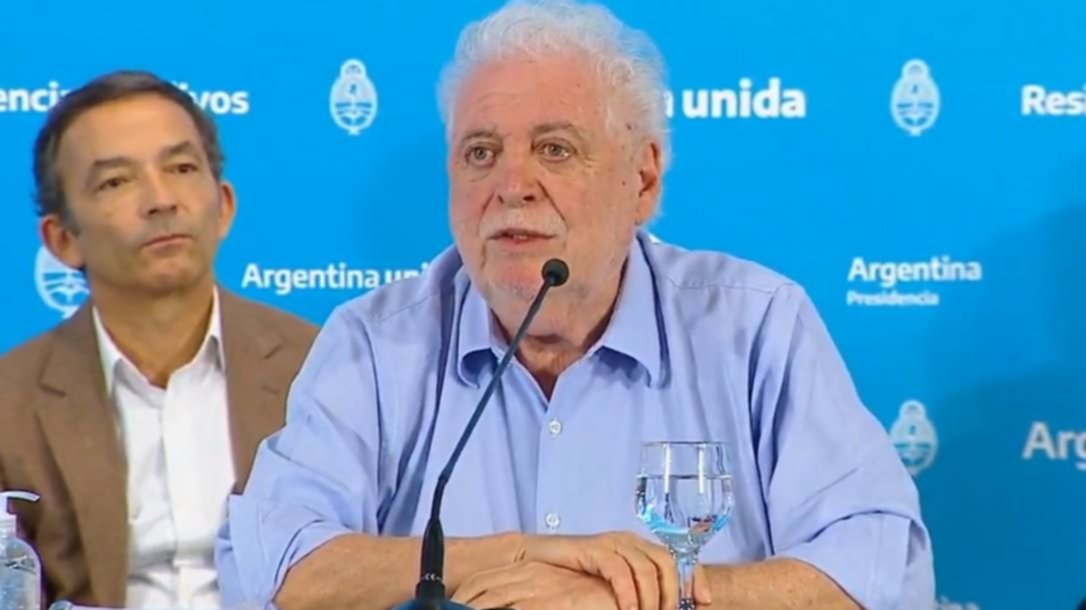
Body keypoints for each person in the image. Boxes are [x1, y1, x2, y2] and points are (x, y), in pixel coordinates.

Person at [216, 1, 935, 609]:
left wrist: (645, 595)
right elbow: (272, 565)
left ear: (643, 180)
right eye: (480, 153)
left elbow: (882, 568)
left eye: (555, 150)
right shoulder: (375, 344)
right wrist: (513, 556)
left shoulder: (756, 328)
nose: (511, 185)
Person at [0, 70, 318, 609]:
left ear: (224, 204)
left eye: (181, 168)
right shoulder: (12, 401)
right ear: (62, 239)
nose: (161, 200)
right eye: (116, 182)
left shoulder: (320, 369)